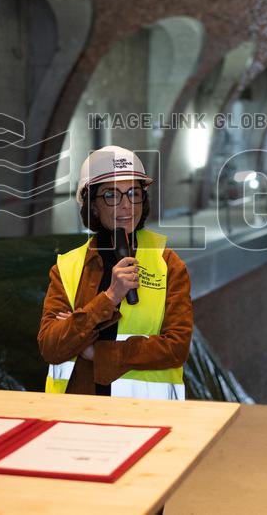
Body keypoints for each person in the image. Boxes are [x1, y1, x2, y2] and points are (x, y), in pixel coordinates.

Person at [38, 146, 193, 399]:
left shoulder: (167, 262)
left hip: (146, 413)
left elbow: (176, 347)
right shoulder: (67, 267)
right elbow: (51, 347)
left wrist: (98, 353)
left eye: (134, 193)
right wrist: (109, 297)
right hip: (79, 412)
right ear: (93, 205)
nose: (126, 206)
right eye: (112, 195)